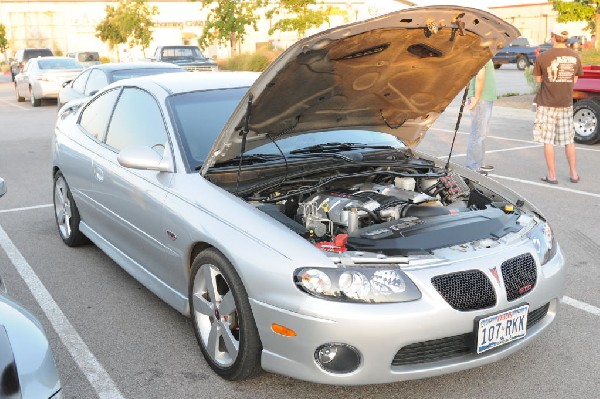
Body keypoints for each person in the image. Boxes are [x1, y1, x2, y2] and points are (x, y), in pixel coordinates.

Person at [533, 24, 582, 184]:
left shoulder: (543, 57)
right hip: (566, 103)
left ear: (553, 37)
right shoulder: (575, 56)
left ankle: (552, 175)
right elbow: (574, 79)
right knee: (569, 140)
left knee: (548, 140)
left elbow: (538, 80)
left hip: (547, 103)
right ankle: (574, 174)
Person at [466, 59, 496, 173]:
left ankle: (479, 163)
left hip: (484, 98)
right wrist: (475, 98)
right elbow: (479, 76)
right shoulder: (483, 54)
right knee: (477, 134)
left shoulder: (485, 54)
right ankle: (472, 166)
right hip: (481, 99)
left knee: (481, 134)